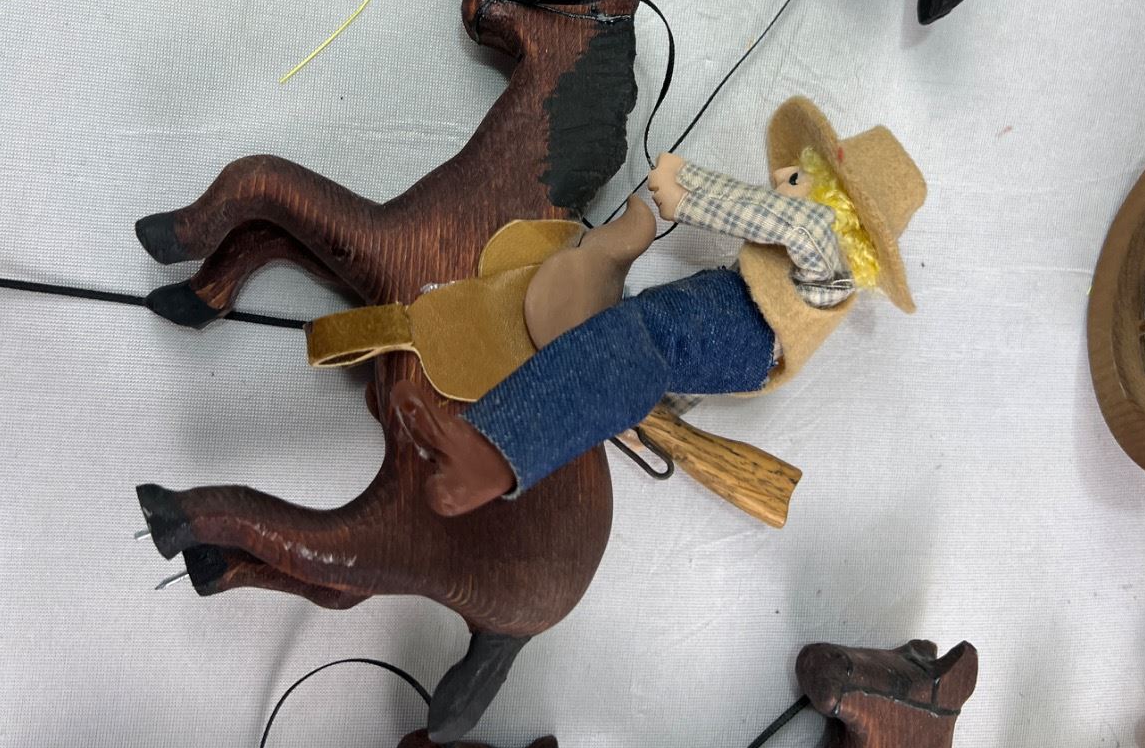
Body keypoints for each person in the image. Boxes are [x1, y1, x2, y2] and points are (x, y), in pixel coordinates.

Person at [393, 96, 925, 515]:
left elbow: (792, 221)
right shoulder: (807, 265)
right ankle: (496, 432)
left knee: (641, 337)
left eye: (798, 178)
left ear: (839, 208)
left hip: (741, 330)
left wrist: (685, 189)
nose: (780, 178)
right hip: (727, 321)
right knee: (639, 333)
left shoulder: (821, 244)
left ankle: (489, 454)